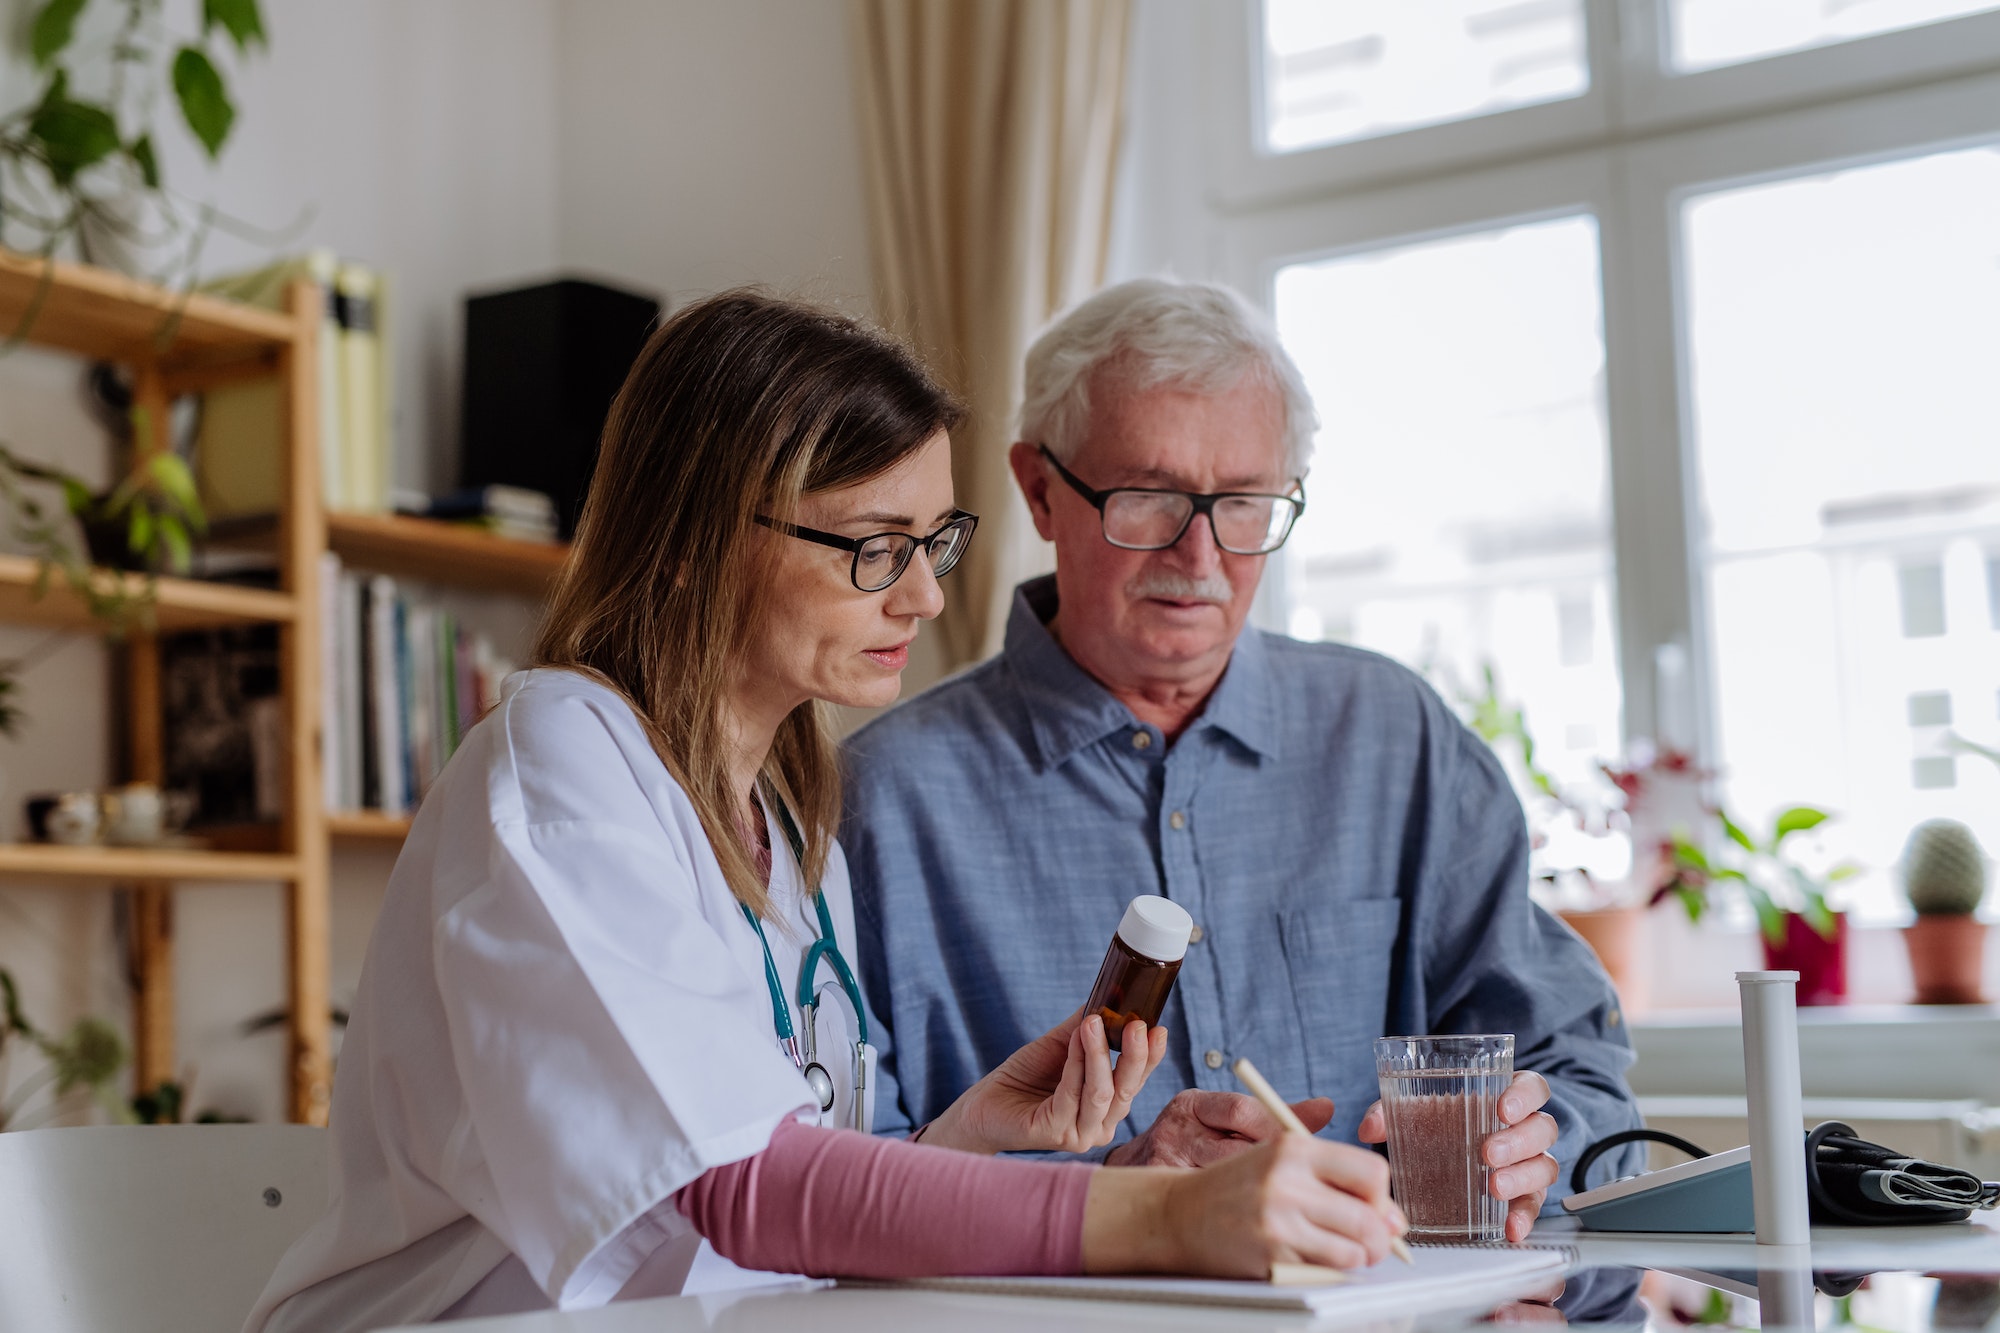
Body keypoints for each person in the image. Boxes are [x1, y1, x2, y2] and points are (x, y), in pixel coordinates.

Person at [244, 291, 1412, 1333]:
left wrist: (971, 1132)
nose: (924, 592)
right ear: (697, 541)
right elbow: (735, 1189)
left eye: (934, 540)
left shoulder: (788, 816)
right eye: (872, 548)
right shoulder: (564, 762)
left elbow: (790, 1198)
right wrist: (1158, 1217)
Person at [842, 277, 1646, 1241]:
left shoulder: (1392, 737)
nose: (1202, 554)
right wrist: (1119, 1196)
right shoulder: (882, 800)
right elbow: (842, 1190)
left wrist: (1540, 1141)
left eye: (1246, 503)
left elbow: (1577, 1063)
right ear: (1041, 490)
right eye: (1148, 498)